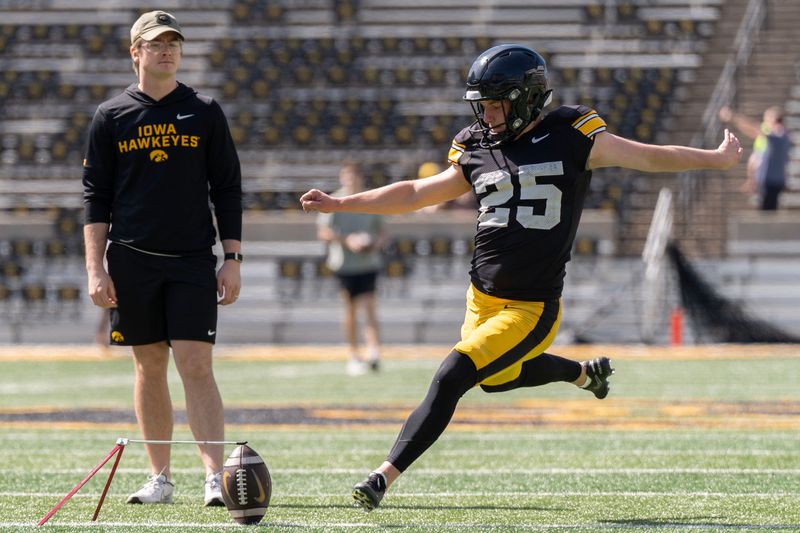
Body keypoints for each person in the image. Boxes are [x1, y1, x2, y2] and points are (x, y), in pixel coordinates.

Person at [300, 44, 742, 511]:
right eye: (483, 105)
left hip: (531, 308)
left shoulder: (572, 133)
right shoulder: (475, 146)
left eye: (496, 104)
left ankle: (382, 477)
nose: (488, 115)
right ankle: (581, 374)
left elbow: (649, 157)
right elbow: (415, 192)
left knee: (455, 372)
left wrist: (714, 159)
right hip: (480, 299)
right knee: (495, 379)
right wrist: (342, 203)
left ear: (527, 97)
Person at [82, 10, 243, 507]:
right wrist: (95, 267)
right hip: (131, 260)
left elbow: (228, 188)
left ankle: (214, 477)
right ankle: (160, 478)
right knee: (148, 366)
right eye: (156, 43)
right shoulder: (111, 116)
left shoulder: (205, 110)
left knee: (197, 365)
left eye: (174, 42)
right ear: (136, 53)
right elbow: (95, 196)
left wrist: (232, 255)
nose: (167, 50)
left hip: (192, 259)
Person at [317, 163, 386, 375]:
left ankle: (374, 351)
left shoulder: (369, 199)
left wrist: (372, 243)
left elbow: (383, 232)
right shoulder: (335, 201)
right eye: (346, 176)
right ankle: (353, 354)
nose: (350, 180)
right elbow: (324, 233)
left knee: (369, 305)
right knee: (350, 310)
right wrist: (348, 240)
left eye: (353, 176)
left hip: (368, 263)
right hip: (345, 265)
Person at [719, 105, 792, 210]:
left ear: (774, 120)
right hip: (775, 181)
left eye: (767, 119)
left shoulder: (777, 136)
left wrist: (732, 117)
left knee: (767, 213)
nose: (765, 123)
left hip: (770, 181)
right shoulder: (785, 137)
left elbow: (752, 128)